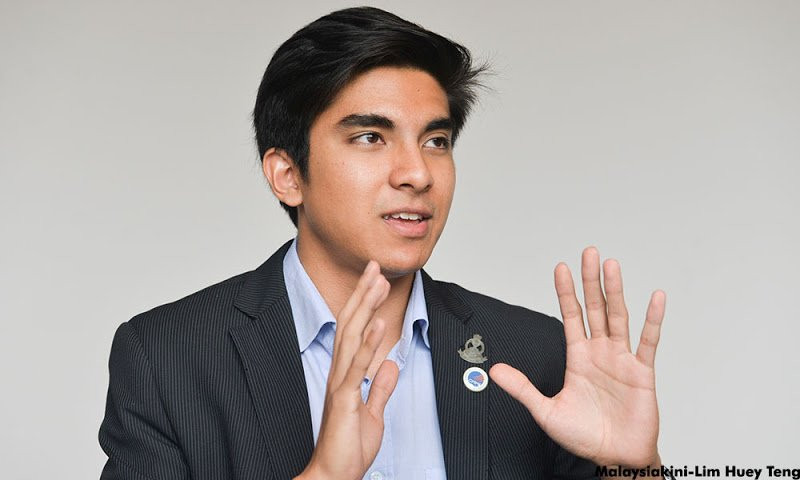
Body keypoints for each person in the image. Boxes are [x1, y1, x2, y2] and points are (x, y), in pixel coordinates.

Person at [98, 6, 668, 480]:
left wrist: (634, 470)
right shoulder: (168, 359)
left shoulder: (533, 355)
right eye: (371, 137)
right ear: (287, 175)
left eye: (436, 141)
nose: (417, 174)